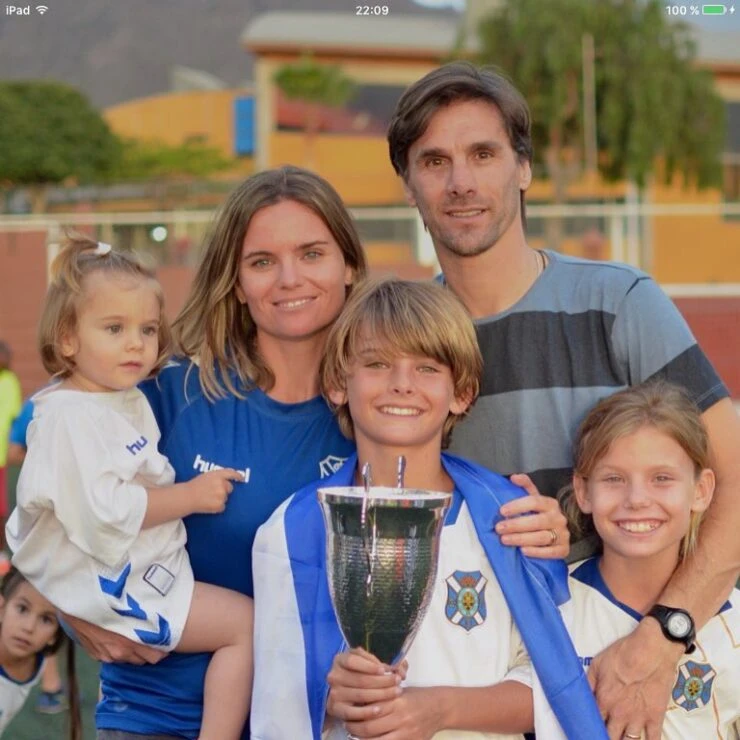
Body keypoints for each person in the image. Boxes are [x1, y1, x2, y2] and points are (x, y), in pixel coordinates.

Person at [387, 61, 740, 738]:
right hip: (482, 690)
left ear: (523, 168)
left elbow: (732, 482)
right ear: (408, 183)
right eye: (434, 161)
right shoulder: (410, 346)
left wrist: (662, 640)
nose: (460, 182)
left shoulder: (619, 305)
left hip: (630, 677)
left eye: (483, 154)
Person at [61, 166, 368, 740]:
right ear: (235, 279)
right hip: (157, 718)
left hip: (313, 724)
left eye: (311, 253)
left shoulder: (380, 407)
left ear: (348, 264)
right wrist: (69, 608)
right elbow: (54, 502)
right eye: (261, 262)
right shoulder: (170, 394)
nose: (288, 278)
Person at [251, 277, 607, 740]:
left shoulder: (514, 521)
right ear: (338, 382)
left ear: (462, 391)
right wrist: (328, 700)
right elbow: (276, 711)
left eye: (427, 368)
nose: (402, 385)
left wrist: (441, 710)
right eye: (377, 364)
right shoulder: (290, 531)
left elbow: (558, 684)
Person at [6, 236, 254, 740]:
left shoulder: (109, 395)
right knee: (244, 627)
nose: (136, 344)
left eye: (146, 329)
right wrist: (193, 495)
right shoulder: (71, 417)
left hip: (127, 576)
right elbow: (107, 510)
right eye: (114, 329)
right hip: (119, 587)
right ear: (68, 339)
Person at [561, 381, 739, 738]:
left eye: (662, 478)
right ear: (583, 491)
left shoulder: (734, 623)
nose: (637, 499)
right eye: (614, 478)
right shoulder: (552, 606)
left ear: (701, 490)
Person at [7, 396, 67, 714]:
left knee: (43, 603)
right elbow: (15, 451)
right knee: (44, 604)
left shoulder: (39, 401)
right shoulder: (40, 403)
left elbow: (15, 452)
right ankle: (51, 684)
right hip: (52, 530)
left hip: (49, 530)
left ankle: (51, 685)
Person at [0, 567, 81, 739]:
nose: (29, 627)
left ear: (55, 635)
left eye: (46, 619)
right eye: (22, 609)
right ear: (1, 608)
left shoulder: (37, 660)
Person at [0, 341, 21, 561]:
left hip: (2, 457)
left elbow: (12, 415)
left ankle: (3, 553)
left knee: (3, 507)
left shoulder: (9, 381)